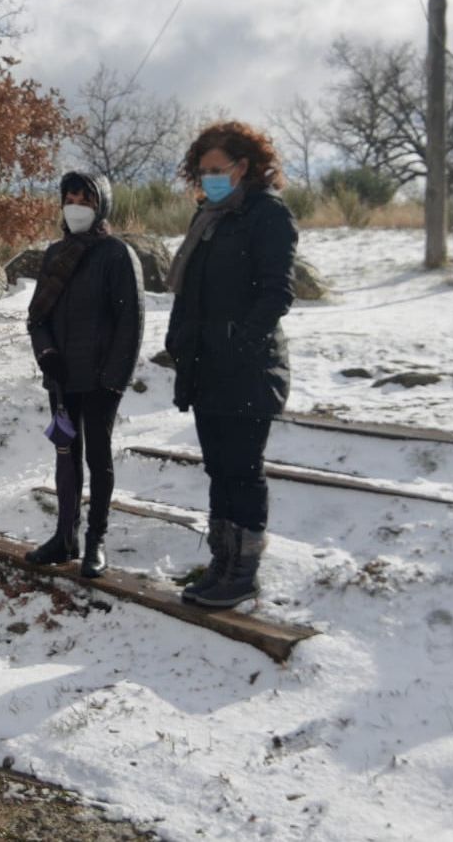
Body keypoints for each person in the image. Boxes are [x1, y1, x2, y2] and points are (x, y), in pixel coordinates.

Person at [165, 122, 298, 608]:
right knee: (219, 470)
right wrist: (179, 340)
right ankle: (221, 565)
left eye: (217, 170)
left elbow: (277, 291)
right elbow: (191, 291)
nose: (208, 179)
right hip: (206, 366)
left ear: (244, 167)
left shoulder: (268, 214)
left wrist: (239, 345)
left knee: (242, 471)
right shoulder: (210, 216)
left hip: (247, 369)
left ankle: (243, 573)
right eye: (202, 172)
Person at [25, 172, 144, 578]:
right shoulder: (54, 254)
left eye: (85, 198)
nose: (75, 204)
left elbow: (131, 321)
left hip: (100, 380)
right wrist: (47, 355)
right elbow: (36, 317)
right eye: (69, 196)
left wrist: (114, 379)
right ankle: (64, 537)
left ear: (101, 205)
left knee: (97, 457)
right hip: (61, 378)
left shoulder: (116, 254)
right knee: (65, 456)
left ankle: (96, 541)